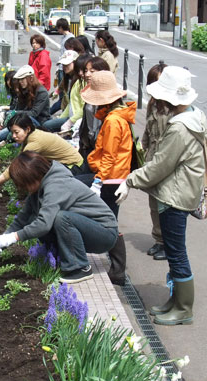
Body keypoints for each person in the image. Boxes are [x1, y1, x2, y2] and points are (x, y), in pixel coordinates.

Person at [115, 66, 207, 325]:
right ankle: (175, 301)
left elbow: (160, 166)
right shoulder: (196, 115)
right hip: (185, 190)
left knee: (177, 253)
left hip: (174, 195)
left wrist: (130, 180)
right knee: (176, 251)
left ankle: (184, 309)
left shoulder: (179, 128)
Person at [0, 151, 119, 284]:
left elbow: (43, 224)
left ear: (33, 176)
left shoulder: (55, 185)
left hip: (104, 233)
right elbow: (22, 219)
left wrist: (13, 237)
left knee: (59, 218)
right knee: (36, 219)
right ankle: (60, 258)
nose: (24, 188)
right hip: (86, 229)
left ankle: (80, 268)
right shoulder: (39, 187)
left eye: (25, 184)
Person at [79, 70, 136, 286]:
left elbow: (110, 155)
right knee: (109, 220)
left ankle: (118, 270)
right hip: (115, 177)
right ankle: (118, 270)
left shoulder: (113, 121)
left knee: (108, 222)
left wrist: (97, 181)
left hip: (110, 179)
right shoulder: (118, 116)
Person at [0, 113, 86, 199]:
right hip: (67, 164)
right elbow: (20, 158)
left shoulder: (35, 142)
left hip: (74, 167)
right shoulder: (32, 135)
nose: (14, 136)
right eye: (12, 132)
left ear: (27, 129)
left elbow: (18, 165)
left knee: (38, 181)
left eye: (16, 132)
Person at [142, 63, 171, 261]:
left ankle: (169, 244)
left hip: (167, 163)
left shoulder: (173, 107)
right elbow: (147, 130)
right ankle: (159, 240)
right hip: (152, 159)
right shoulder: (153, 103)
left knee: (166, 205)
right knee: (154, 204)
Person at [0, 65, 50, 142]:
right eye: (19, 79)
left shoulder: (41, 92)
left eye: (22, 79)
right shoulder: (25, 90)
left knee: (11, 135)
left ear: (31, 78)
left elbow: (34, 113)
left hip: (38, 122)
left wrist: (15, 113)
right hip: (24, 120)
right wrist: (5, 113)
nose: (20, 82)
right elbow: (18, 108)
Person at [43, 53, 91, 133]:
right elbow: (71, 104)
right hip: (71, 116)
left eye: (67, 64)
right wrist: (62, 118)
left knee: (47, 125)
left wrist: (70, 122)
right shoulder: (73, 80)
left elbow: (85, 107)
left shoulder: (85, 82)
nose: (64, 67)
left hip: (78, 119)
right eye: (63, 65)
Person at [78, 57, 110, 159]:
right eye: (86, 71)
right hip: (90, 146)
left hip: (100, 151)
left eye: (92, 71)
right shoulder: (87, 92)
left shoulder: (108, 99)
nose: (87, 74)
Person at [53, 18, 75, 113]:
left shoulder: (70, 38)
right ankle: (64, 111)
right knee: (62, 92)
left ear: (61, 27)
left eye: (58, 28)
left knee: (65, 93)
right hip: (61, 67)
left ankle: (63, 111)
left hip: (65, 67)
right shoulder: (63, 37)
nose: (58, 30)